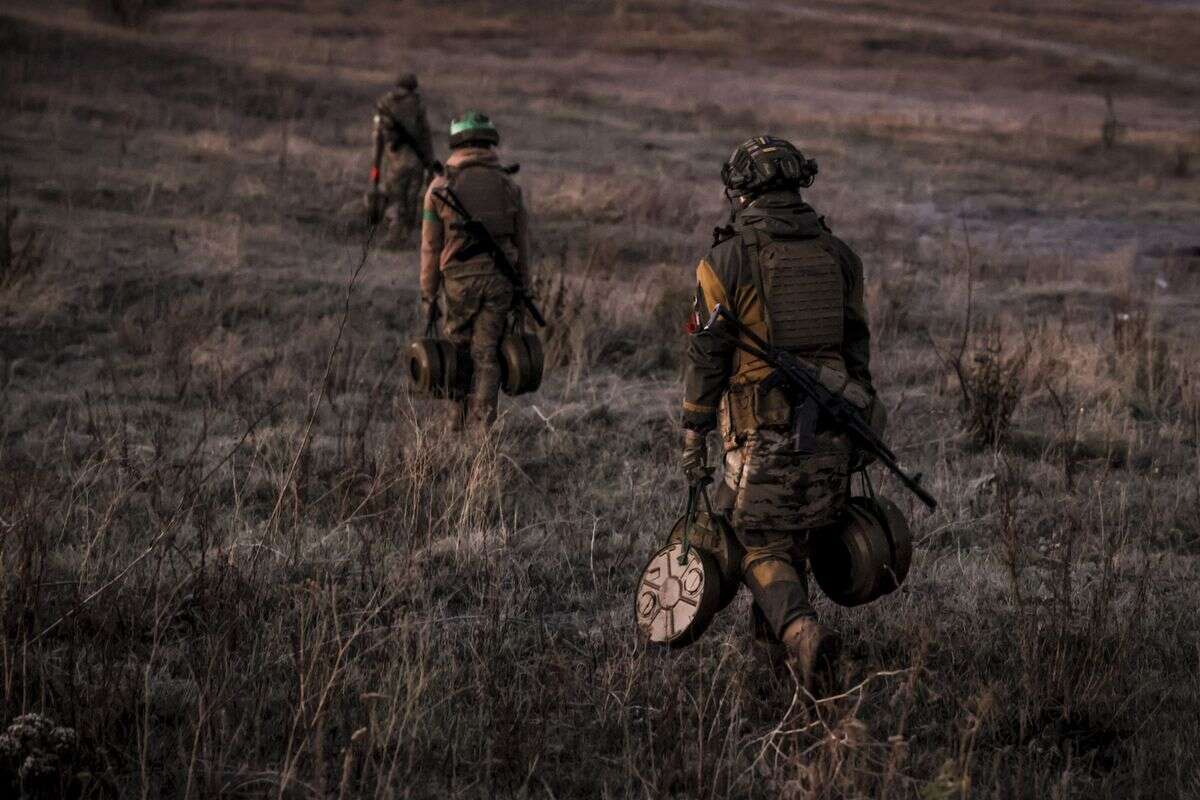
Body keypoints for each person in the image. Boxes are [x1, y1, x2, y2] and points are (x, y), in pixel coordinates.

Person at [680, 136, 882, 694]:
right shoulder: (839, 255)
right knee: (793, 537)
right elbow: (857, 352)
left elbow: (706, 357)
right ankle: (779, 675)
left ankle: (800, 633)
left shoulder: (724, 260)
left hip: (761, 434)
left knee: (754, 542)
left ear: (741, 190)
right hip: (836, 428)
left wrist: (693, 431)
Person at [420, 111, 530, 430]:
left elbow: (430, 248)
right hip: (500, 283)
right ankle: (482, 432)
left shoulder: (439, 187)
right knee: (488, 354)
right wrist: (525, 288)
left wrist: (428, 294)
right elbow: (522, 244)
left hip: (458, 283)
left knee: (457, 351)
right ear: (489, 142)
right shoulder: (510, 186)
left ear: (457, 142)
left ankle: (456, 422)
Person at [371, 73, 435, 247]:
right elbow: (426, 137)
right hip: (417, 163)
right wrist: (430, 163)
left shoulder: (384, 104)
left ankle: (394, 235)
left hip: (395, 162)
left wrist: (375, 166)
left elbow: (378, 138)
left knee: (395, 198)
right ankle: (405, 235)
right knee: (412, 199)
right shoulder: (418, 106)